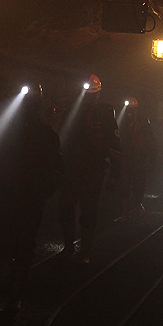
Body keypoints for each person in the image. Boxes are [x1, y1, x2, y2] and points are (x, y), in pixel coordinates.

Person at [0, 84, 64, 307]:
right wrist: (42, 193)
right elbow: (58, 170)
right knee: (22, 244)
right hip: (26, 198)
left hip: (11, 197)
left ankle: (8, 289)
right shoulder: (46, 135)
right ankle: (14, 292)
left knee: (9, 241)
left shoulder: (6, 133)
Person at [58, 74, 121, 263]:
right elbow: (62, 140)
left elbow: (114, 143)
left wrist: (114, 174)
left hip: (92, 168)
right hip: (73, 168)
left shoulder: (105, 113)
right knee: (67, 209)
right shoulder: (71, 112)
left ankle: (83, 252)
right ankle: (70, 247)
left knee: (89, 211)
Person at [116, 97, 157, 221]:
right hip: (126, 157)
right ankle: (125, 211)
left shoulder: (143, 122)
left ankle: (138, 204)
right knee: (124, 185)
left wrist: (152, 158)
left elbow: (150, 140)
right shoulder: (120, 122)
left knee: (138, 184)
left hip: (139, 158)